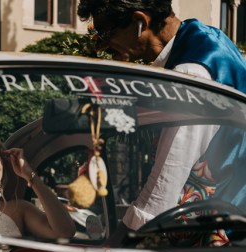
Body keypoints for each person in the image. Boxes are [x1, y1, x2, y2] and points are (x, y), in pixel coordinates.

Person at [77, 0, 246, 239]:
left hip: (226, 232)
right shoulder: (207, 39)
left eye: (105, 33)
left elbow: (167, 179)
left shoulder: (191, 73)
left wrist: (120, 241)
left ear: (139, 22)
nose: (101, 46)